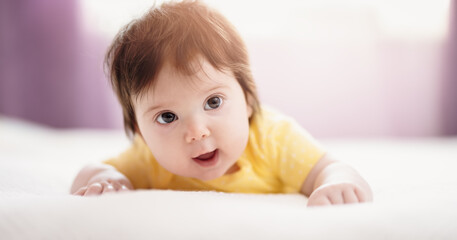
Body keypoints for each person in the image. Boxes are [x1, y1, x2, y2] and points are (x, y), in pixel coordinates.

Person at [70, 0, 372, 206]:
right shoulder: (148, 159)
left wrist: (336, 183)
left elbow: (328, 167)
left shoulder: (273, 139)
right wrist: (106, 179)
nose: (197, 131)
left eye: (213, 101)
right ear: (141, 133)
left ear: (249, 101)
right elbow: (89, 172)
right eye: (167, 117)